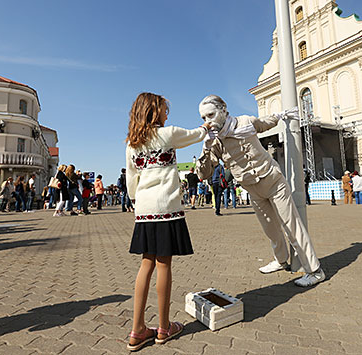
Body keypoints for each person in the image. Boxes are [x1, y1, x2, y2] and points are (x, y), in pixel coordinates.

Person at [195, 95, 324, 287]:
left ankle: (315, 271)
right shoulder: (214, 143)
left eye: (211, 115)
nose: (208, 122)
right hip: (252, 189)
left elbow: (264, 123)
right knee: (270, 229)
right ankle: (281, 261)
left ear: (223, 109)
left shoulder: (246, 122)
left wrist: (281, 115)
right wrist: (205, 148)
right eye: (203, 118)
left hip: (273, 181)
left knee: (291, 225)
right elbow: (203, 174)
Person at [125, 92, 210, 351]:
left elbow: (131, 182)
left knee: (145, 264)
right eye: (164, 109)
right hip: (167, 208)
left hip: (144, 209)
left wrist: (137, 202)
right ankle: (164, 327)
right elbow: (198, 134)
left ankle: (137, 329)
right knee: (164, 265)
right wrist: (207, 125)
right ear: (154, 111)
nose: (167, 114)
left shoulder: (131, 144)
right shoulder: (168, 133)